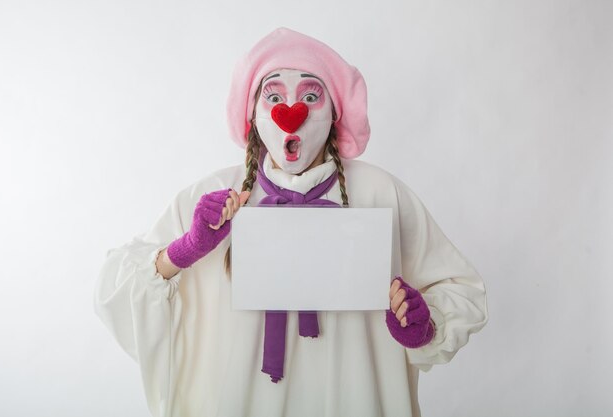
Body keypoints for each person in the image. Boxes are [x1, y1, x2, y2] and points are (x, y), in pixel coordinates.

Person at [94, 27, 488, 417]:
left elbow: (462, 291)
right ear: (251, 113)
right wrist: (183, 251)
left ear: (335, 112)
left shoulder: (382, 194)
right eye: (274, 97)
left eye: (311, 96)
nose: (291, 112)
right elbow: (116, 291)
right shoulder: (212, 194)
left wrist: (422, 327)